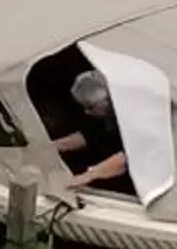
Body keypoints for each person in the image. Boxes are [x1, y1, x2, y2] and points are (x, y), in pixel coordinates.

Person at [48, 65, 130, 193]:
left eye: (90, 107)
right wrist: (49, 146)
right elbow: (90, 135)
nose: (86, 112)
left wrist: (88, 176)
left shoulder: (137, 115)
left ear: (108, 100)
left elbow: (129, 157)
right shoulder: (108, 116)